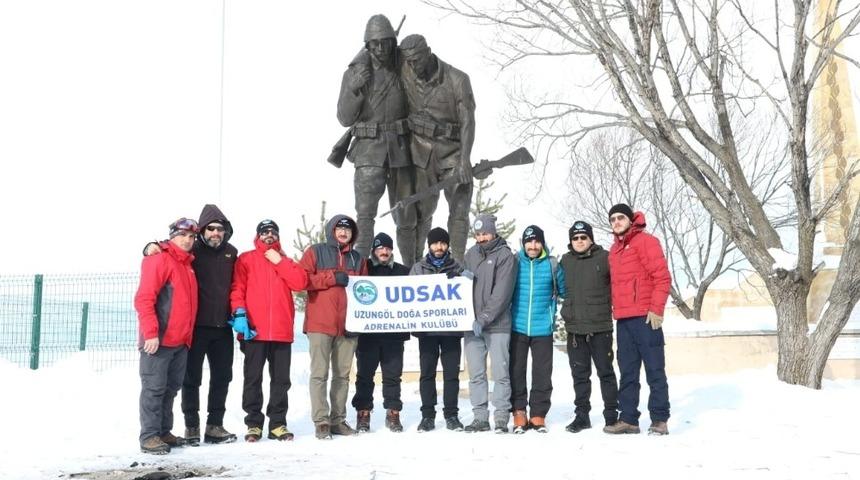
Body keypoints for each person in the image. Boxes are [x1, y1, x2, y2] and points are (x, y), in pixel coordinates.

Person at [142, 205, 239, 445]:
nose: (216, 233)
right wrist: (150, 246)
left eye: (221, 229)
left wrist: (239, 312)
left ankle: (214, 426)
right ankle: (190, 427)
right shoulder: (188, 251)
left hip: (219, 327)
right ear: (203, 230)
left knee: (220, 378)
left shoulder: (230, 253)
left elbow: (237, 285)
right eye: (211, 228)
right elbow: (167, 250)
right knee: (188, 380)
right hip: (193, 329)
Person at [337, 14, 417, 263]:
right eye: (375, 43)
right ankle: (360, 269)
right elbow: (344, 117)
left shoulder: (405, 67)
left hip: (401, 149)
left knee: (406, 214)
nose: (381, 48)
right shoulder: (355, 73)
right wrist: (355, 90)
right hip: (369, 150)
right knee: (365, 216)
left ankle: (413, 269)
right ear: (368, 44)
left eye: (386, 42)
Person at [230, 219, 308, 442]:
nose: (269, 235)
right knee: (253, 378)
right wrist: (239, 312)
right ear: (257, 236)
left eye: (273, 232)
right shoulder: (246, 259)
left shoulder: (285, 260)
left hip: (282, 331)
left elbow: (300, 282)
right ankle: (254, 424)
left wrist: (280, 261)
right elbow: (237, 288)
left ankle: (277, 423)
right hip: (254, 330)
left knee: (281, 380)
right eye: (264, 232)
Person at [399, 34, 476, 262]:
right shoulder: (406, 72)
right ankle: (417, 267)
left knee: (459, 210)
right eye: (408, 61)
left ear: (428, 52)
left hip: (452, 152)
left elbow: (468, 121)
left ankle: (458, 265)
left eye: (417, 60)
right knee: (422, 212)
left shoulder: (457, 79)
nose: (412, 66)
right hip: (421, 153)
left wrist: (464, 159)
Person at [604, 204, 672, 435]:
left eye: (620, 217)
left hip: (646, 318)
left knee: (655, 370)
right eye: (612, 219)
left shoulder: (646, 242)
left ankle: (659, 419)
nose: (616, 222)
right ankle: (630, 419)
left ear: (631, 219)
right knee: (628, 372)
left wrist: (656, 309)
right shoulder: (614, 251)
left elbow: (662, 277)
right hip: (623, 320)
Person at [133, 217, 199, 454]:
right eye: (183, 235)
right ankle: (149, 435)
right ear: (172, 236)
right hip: (158, 341)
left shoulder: (187, 264)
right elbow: (144, 299)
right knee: (154, 388)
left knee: (171, 389)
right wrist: (150, 333)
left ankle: (163, 431)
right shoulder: (160, 259)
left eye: (192, 237)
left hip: (180, 341)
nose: (188, 240)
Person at [299, 214, 368, 439]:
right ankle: (321, 421)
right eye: (340, 228)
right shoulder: (315, 251)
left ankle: (338, 420)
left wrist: (358, 320)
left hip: (348, 326)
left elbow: (365, 291)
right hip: (320, 324)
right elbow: (302, 279)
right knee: (319, 373)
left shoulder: (358, 258)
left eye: (348, 230)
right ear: (332, 230)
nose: (343, 232)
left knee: (343, 375)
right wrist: (331, 277)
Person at [559, 220, 619, 434]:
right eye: (575, 238)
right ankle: (582, 416)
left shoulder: (605, 258)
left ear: (591, 238)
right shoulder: (565, 261)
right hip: (575, 329)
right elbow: (558, 288)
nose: (579, 241)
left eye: (583, 237)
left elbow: (617, 285)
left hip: (600, 327)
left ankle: (612, 416)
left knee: (606, 373)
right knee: (580, 376)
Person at [462, 214, 517, 433]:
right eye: (478, 234)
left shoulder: (505, 256)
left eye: (485, 232)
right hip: (472, 326)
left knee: (500, 373)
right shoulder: (471, 254)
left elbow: (501, 294)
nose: (482, 237)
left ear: (493, 231)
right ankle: (480, 418)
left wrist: (484, 318)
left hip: (497, 326)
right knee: (476, 374)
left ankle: (501, 417)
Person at [409, 227, 466, 432]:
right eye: (435, 243)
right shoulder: (418, 268)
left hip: (451, 330)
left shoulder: (458, 266)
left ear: (448, 245)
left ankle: (451, 415)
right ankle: (427, 416)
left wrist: (461, 278)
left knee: (451, 374)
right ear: (429, 245)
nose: (439, 247)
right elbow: (408, 296)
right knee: (427, 373)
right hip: (427, 331)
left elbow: (470, 286)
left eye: (443, 243)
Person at [352, 232, 410, 433]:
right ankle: (363, 412)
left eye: (387, 248)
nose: (384, 252)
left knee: (393, 376)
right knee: (365, 376)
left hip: (394, 336)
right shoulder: (363, 269)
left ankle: (393, 412)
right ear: (373, 251)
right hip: (368, 336)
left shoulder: (404, 271)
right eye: (380, 248)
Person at [509, 225, 564, 434]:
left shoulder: (552, 264)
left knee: (542, 372)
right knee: (516, 370)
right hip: (517, 326)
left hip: (543, 327)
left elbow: (564, 290)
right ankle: (519, 411)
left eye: (536, 241)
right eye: (529, 241)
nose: (533, 246)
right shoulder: (514, 262)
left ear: (542, 243)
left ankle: (538, 413)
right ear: (523, 243)